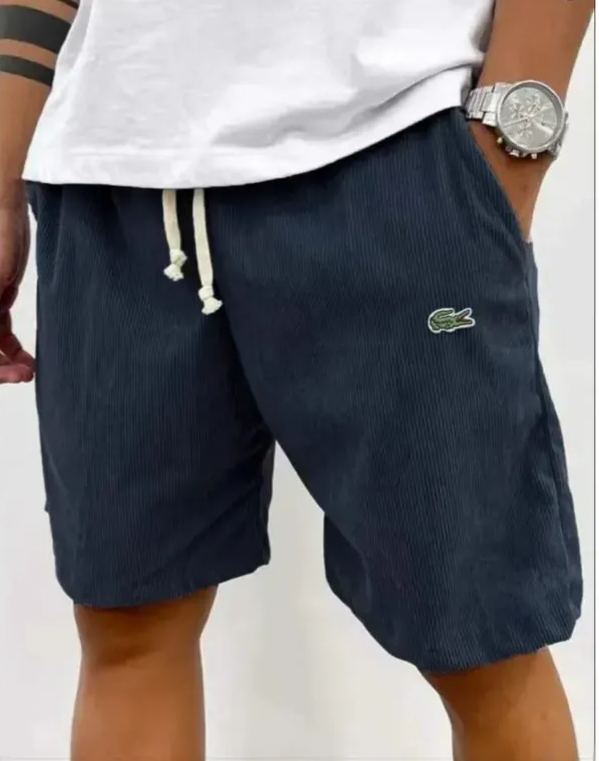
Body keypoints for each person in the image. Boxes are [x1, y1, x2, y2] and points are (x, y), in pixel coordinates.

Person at [0, 1, 592, 759]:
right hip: (108, 179)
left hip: (390, 142)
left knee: (484, 644)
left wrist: (508, 149)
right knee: (127, 626)